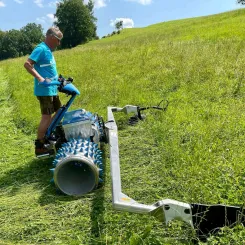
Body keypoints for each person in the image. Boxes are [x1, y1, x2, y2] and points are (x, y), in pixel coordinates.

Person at [24, 26, 63, 155]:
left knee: (59, 111)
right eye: (58, 40)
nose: (59, 43)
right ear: (52, 37)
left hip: (52, 89)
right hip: (44, 91)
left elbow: (48, 69)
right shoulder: (40, 48)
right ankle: (40, 146)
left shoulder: (48, 50)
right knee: (46, 117)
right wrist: (40, 78)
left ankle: (49, 134)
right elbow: (27, 64)